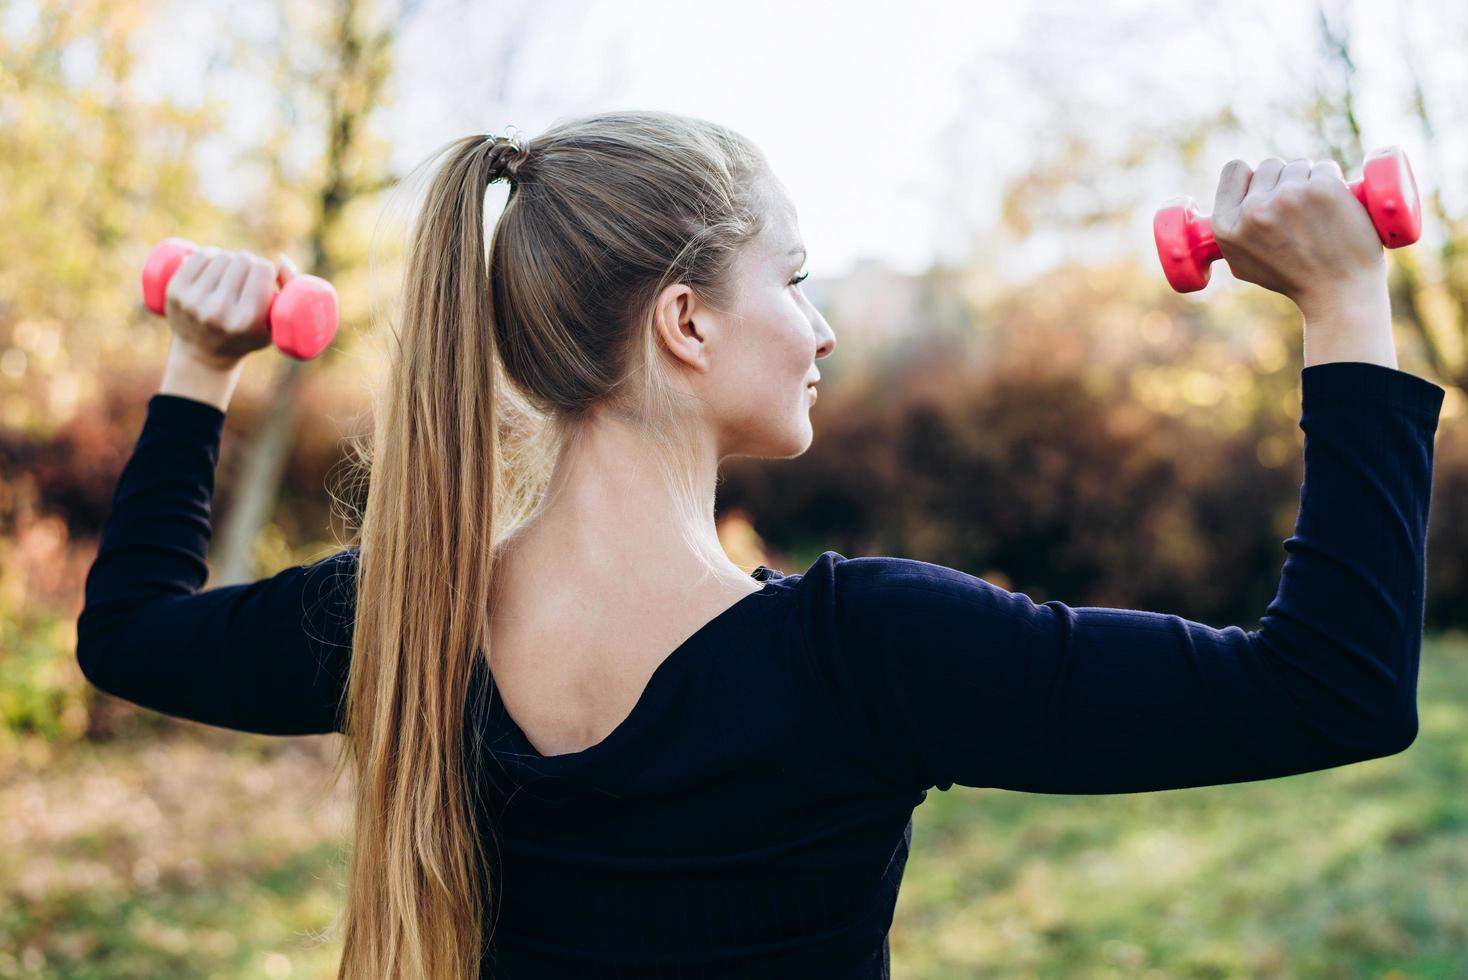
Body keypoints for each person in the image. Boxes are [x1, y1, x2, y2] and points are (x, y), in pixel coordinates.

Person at [76, 109, 1444, 979]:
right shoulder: (867, 655)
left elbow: (129, 632)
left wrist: (201, 364)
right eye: (792, 279)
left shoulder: (411, 621)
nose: (824, 327)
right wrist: (1341, 297)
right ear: (685, 323)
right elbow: (1332, 688)